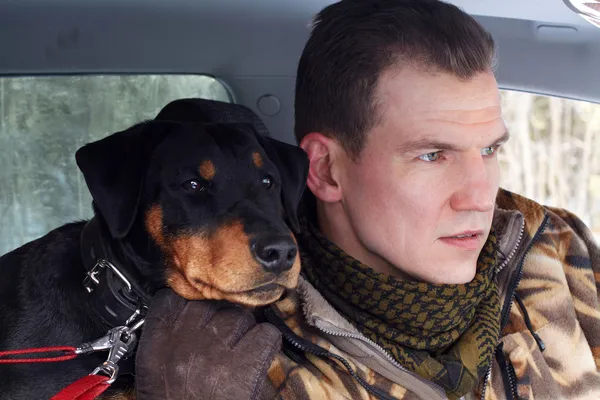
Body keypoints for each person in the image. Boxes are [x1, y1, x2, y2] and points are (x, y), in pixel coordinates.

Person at [134, 0, 600, 399]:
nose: (480, 196)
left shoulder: (555, 244)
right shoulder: (221, 358)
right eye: (433, 155)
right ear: (325, 170)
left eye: (489, 149)